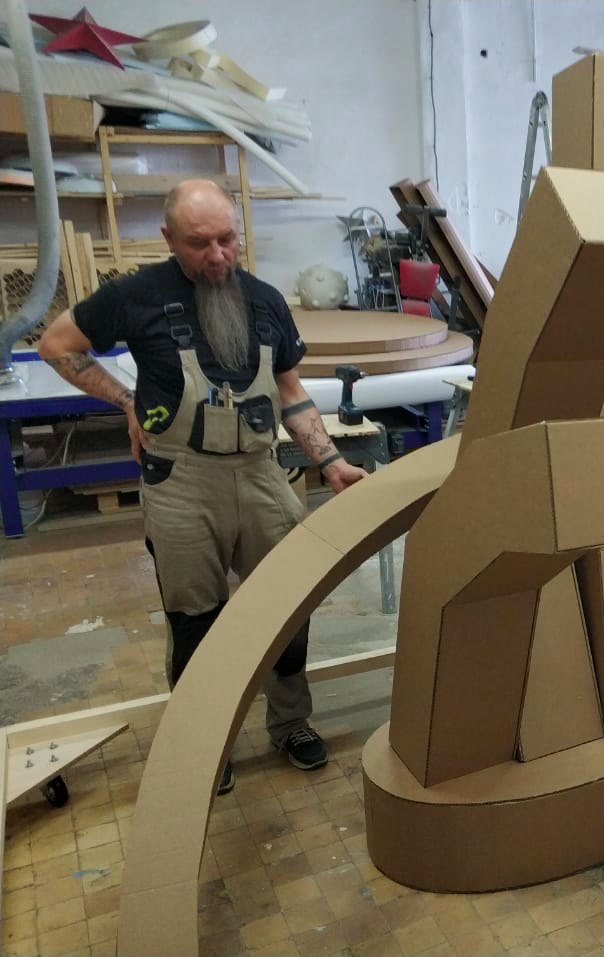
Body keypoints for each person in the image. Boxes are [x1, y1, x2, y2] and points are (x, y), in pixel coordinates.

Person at [37, 179, 367, 794]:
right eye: (199, 243)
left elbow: (291, 392)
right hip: (181, 482)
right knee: (196, 619)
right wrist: (126, 400)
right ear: (168, 239)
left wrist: (329, 461)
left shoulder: (265, 300)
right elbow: (56, 344)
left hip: (262, 474)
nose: (217, 255)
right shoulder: (136, 295)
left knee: (288, 606)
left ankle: (290, 723)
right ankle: (205, 742)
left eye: (226, 239)